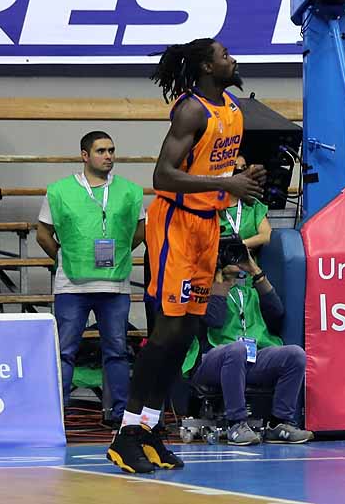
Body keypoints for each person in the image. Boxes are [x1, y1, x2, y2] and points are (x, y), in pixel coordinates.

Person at [106, 39, 265, 475]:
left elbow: (211, 170)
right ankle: (125, 435)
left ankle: (151, 429)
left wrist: (240, 178)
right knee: (165, 334)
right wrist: (228, 186)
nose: (233, 59)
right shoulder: (191, 109)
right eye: (225, 55)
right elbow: (163, 176)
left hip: (207, 225)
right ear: (205, 66)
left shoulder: (232, 109)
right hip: (176, 224)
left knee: (186, 334)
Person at [36, 130, 145, 428]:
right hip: (71, 285)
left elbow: (140, 231)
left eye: (111, 150)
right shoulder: (58, 191)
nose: (108, 156)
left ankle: (120, 415)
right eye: (101, 151)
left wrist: (120, 253)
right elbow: (43, 234)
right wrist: (64, 256)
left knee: (117, 352)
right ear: (85, 155)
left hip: (115, 283)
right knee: (64, 352)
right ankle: (56, 414)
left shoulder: (131, 191)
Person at [183, 252, 313, 445]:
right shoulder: (202, 290)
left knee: (295, 354)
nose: (236, 260)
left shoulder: (250, 292)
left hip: (250, 360)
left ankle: (279, 423)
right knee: (237, 350)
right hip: (210, 361)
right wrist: (217, 276)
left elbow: (277, 313)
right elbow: (214, 319)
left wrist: (255, 270)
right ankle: (236, 423)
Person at [220, 157, 272, 250]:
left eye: (243, 168)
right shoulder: (211, 205)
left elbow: (267, 235)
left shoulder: (253, 204)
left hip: (247, 259)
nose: (239, 171)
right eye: (234, 167)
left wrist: (240, 245)